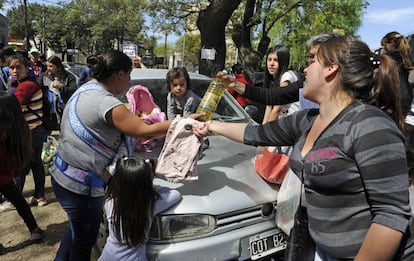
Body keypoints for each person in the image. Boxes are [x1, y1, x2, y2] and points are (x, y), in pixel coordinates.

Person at [194, 34, 414, 260]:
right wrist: (209, 125)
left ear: (331, 69)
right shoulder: (307, 119)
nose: (305, 71)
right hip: (320, 250)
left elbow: (390, 216)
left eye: (311, 63)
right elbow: (255, 133)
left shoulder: (370, 126)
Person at [49, 50, 196, 261]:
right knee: (84, 239)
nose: (129, 81)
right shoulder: (108, 104)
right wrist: (184, 123)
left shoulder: (86, 89)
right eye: (129, 75)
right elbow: (142, 130)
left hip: (63, 175)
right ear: (119, 74)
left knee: (77, 229)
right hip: (81, 186)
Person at [98, 157, 181, 261]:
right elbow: (175, 194)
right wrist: (149, 187)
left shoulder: (110, 203)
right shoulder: (149, 206)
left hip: (108, 257)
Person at [0, 91, 45, 243]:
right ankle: (34, 229)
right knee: (19, 202)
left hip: (4, 174)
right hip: (7, 175)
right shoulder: (20, 128)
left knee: (19, 201)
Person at [10, 54, 49, 207]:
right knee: (35, 164)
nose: (15, 71)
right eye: (12, 67)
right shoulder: (19, 83)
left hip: (29, 133)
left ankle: (15, 198)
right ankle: (39, 196)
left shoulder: (26, 86)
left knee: (20, 165)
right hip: (35, 130)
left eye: (18, 67)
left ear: (27, 68)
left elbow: (12, 110)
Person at [379, 31, 414, 181]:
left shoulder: (388, 59)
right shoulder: (407, 57)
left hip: (393, 101)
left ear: (391, 44)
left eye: (385, 45)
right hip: (407, 103)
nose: (384, 49)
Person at [261, 45, 298, 124]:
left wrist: (266, 131)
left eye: (276, 60)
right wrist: (262, 128)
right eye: (269, 59)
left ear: (283, 62)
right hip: (283, 122)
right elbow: (269, 106)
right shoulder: (272, 80)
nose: (271, 64)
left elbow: (277, 109)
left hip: (293, 124)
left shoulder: (287, 76)